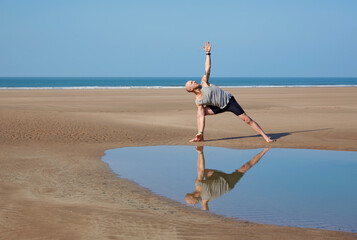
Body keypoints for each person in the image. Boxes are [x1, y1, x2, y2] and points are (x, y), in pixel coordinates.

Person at [185, 42, 275, 143]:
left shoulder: (204, 82)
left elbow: (207, 68)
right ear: (191, 89)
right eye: (191, 82)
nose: (193, 81)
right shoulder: (198, 101)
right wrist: (200, 132)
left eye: (192, 80)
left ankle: (265, 137)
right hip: (218, 107)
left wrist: (208, 54)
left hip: (229, 101)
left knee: (247, 119)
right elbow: (201, 117)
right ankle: (200, 135)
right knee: (200, 112)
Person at [184, 146, 270, 210]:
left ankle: (200, 151)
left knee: (201, 172)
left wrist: (200, 153)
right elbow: (206, 212)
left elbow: (199, 169)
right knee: (245, 167)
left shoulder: (198, 184)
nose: (194, 204)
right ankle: (264, 151)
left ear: (192, 196)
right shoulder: (204, 201)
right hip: (228, 183)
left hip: (218, 177)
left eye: (192, 203)